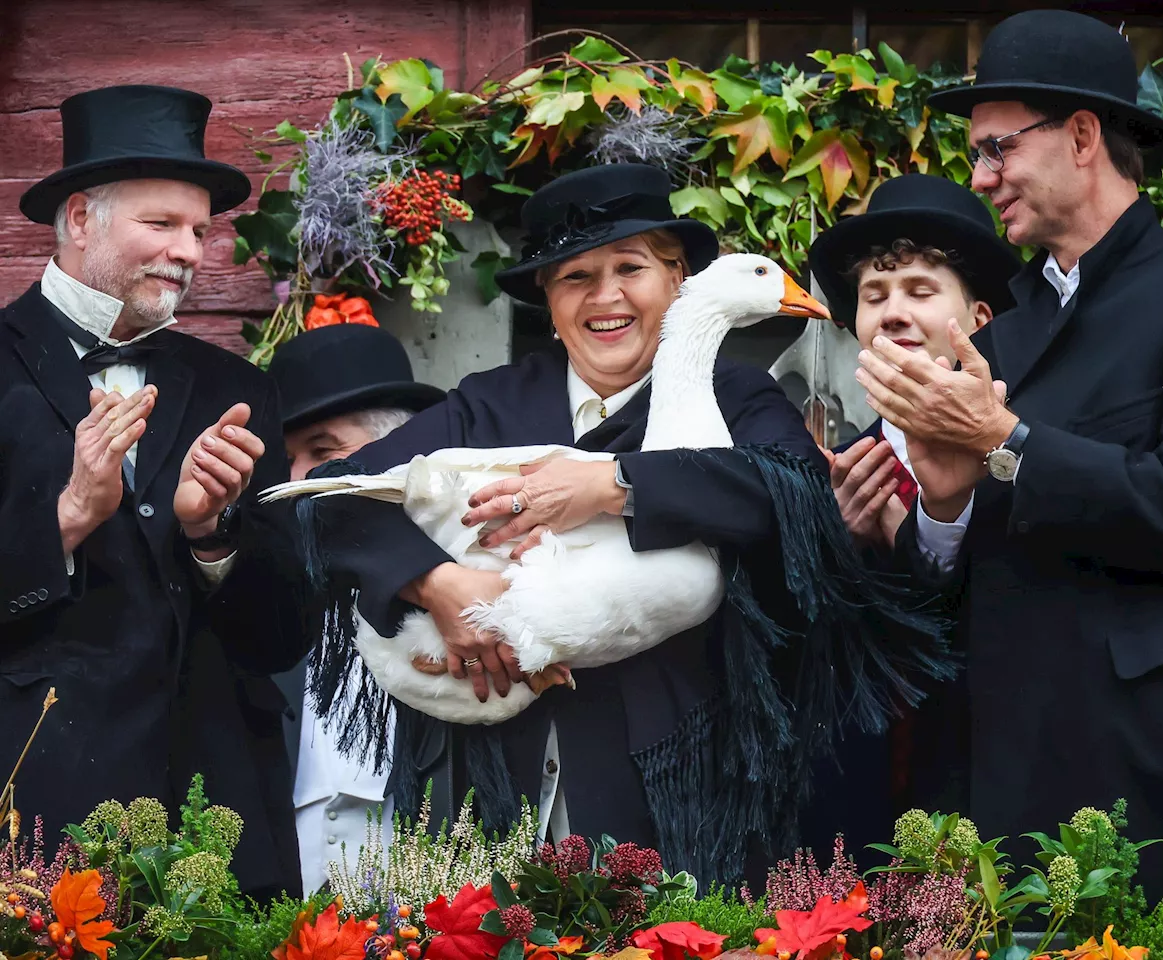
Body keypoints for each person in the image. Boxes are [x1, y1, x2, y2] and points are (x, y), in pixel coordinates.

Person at [297, 163, 946, 885]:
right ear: (547, 302)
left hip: (675, 799)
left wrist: (614, 484)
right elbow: (331, 497)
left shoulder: (740, 398)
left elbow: (788, 496)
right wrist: (436, 582)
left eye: (630, 268)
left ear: (678, 281)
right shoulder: (488, 405)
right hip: (493, 791)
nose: (606, 297)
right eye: (574, 277)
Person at [856, 10, 1163, 905]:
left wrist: (1003, 444)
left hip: (1158, 767)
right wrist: (936, 513)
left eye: (997, 147)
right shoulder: (996, 336)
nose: (981, 177)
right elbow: (962, 583)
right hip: (1000, 774)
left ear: (1083, 136)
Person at [0, 85, 308, 900]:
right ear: (78, 220)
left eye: (201, 230)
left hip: (218, 815)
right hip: (34, 816)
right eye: (161, 224)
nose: (190, 251)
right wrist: (66, 519)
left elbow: (283, 635)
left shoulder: (237, 389)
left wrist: (214, 538)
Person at [802, 173, 1021, 852]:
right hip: (856, 808)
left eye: (920, 291)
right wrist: (830, 547)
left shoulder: (1020, 450)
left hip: (989, 784)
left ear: (979, 320)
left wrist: (919, 538)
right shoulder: (832, 469)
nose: (893, 311)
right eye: (874, 295)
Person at [267, 322, 445, 895]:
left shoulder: (462, 589)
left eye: (323, 452)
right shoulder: (257, 605)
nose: (297, 479)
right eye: (286, 458)